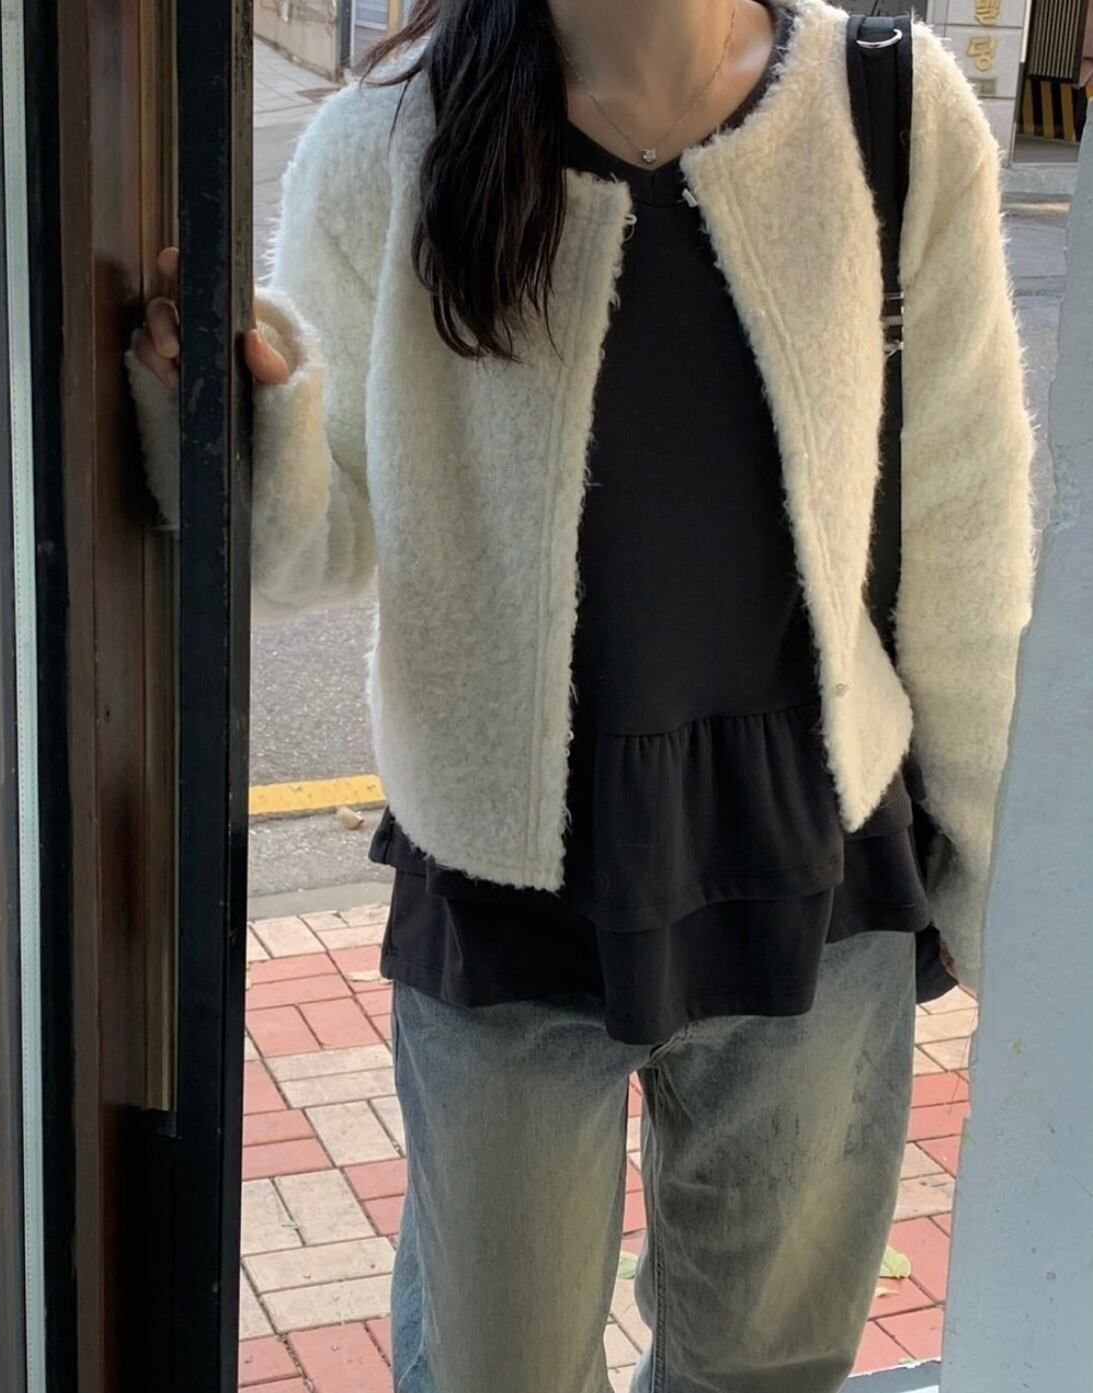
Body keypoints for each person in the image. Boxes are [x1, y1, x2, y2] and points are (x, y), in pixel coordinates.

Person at [127, 0, 1038, 1387]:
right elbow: (319, 541)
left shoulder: (891, 109)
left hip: (812, 866)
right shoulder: (387, 142)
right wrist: (235, 409)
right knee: (495, 1368)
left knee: (769, 1368)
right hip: (506, 886)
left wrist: (996, 880)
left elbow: (967, 529)